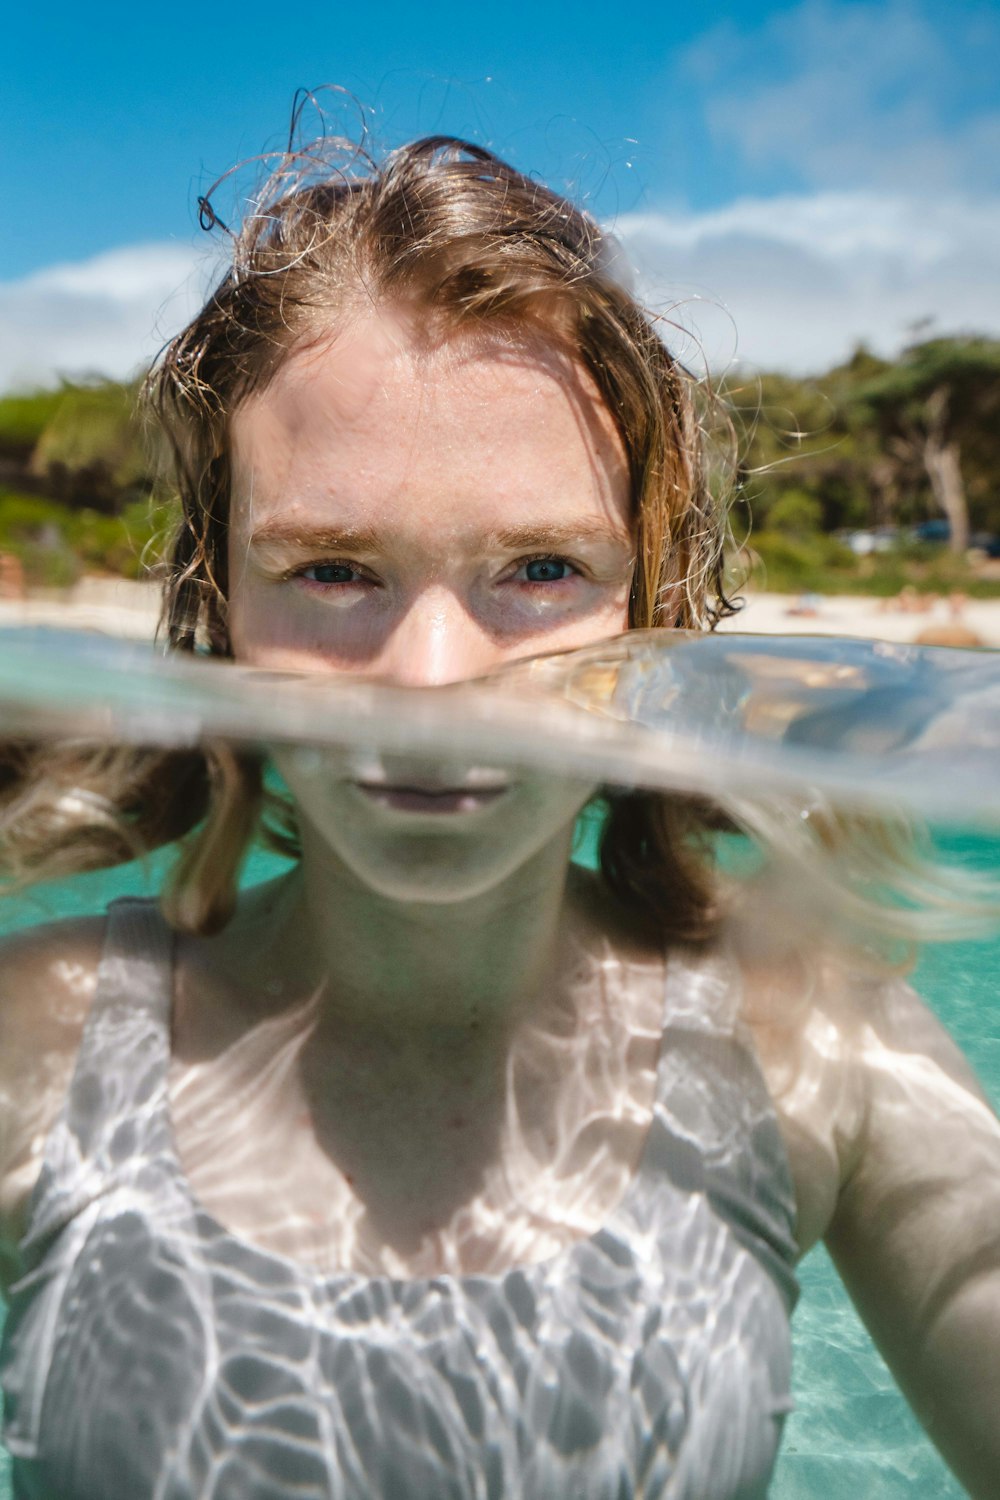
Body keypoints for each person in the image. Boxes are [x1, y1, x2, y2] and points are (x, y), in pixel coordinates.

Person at [0, 129, 998, 1500]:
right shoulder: (32, 1053)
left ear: (651, 609)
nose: (432, 679)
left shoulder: (815, 1046)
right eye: (336, 569)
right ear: (219, 600)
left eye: (540, 568)